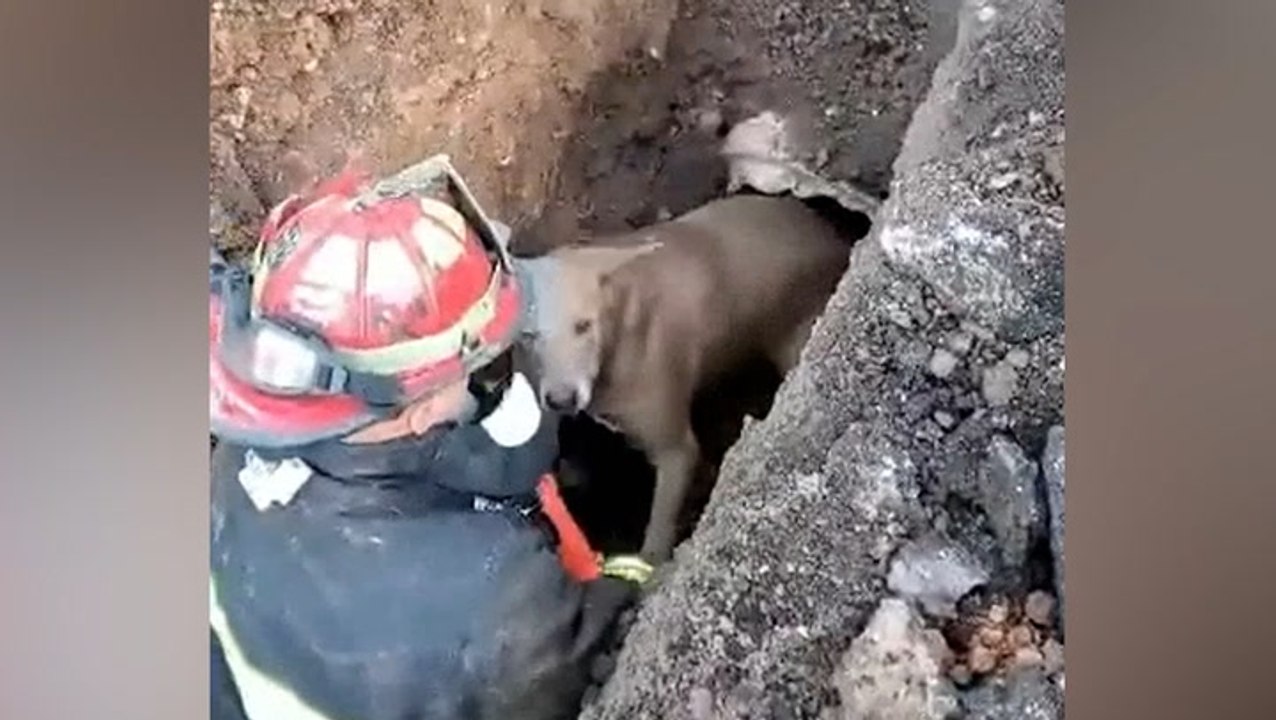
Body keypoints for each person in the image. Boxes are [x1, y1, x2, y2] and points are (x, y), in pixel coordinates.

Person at [208, 156, 650, 720]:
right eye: (474, 357)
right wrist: (629, 583)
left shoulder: (242, 457)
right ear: (419, 408)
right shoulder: (502, 602)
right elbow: (605, 654)